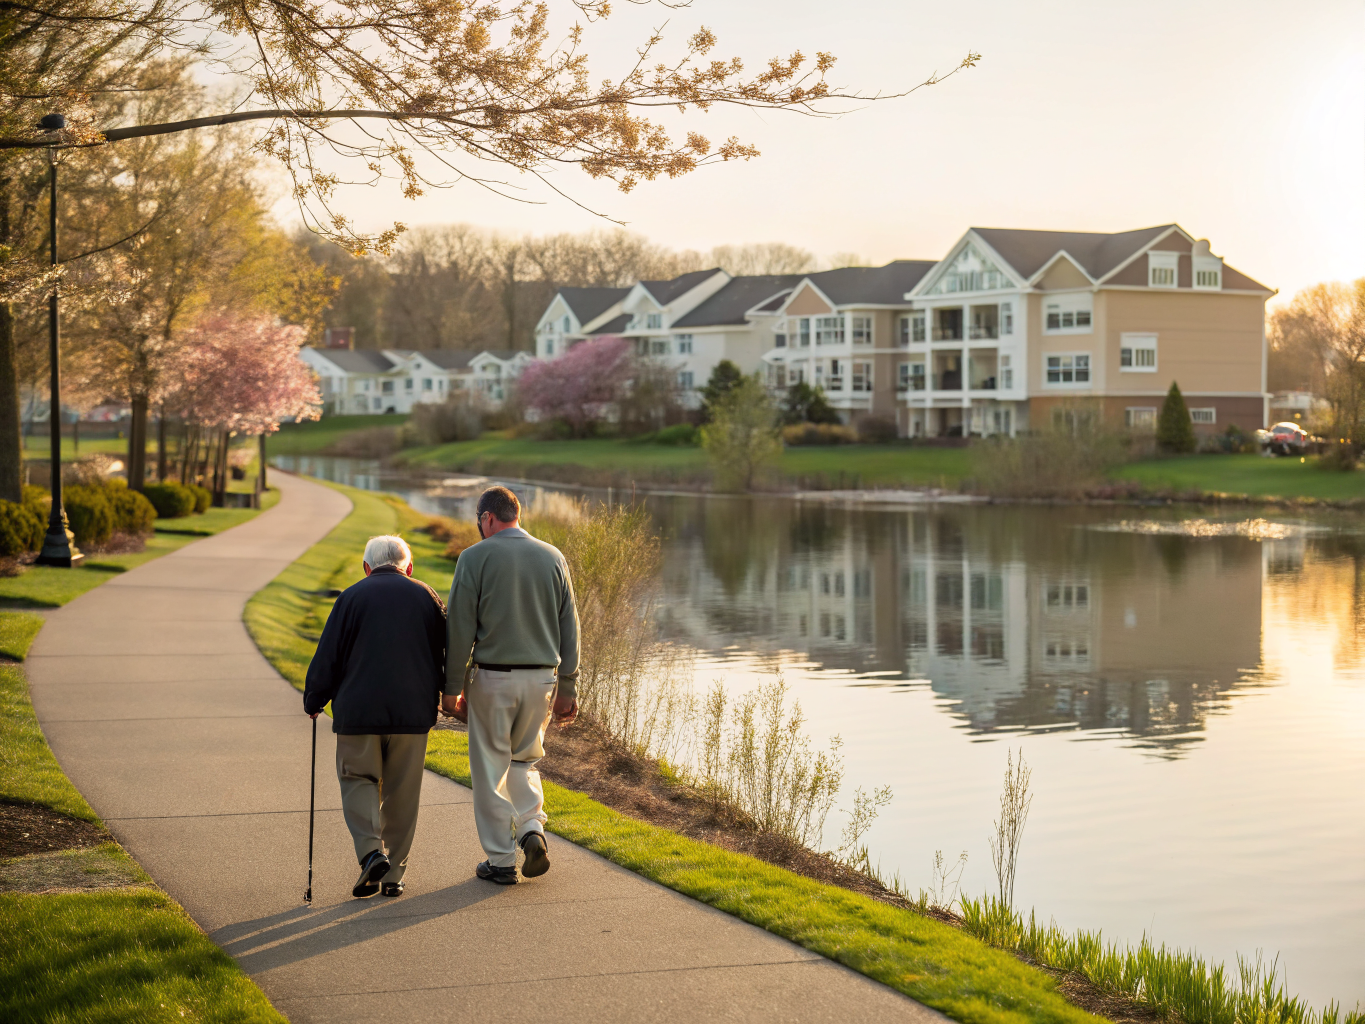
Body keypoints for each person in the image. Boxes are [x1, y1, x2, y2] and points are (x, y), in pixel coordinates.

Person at [443, 485, 579, 885]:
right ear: (516, 514)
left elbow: (461, 628)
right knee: (524, 761)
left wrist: (451, 688)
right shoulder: (554, 557)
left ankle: (501, 861)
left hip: (494, 678)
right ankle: (532, 829)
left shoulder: (474, 558)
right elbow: (570, 627)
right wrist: (569, 687)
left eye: (478, 522)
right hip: (542, 681)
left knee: (490, 768)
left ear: (487, 518)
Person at [303, 535, 446, 899]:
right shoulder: (427, 596)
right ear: (408, 567)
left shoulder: (351, 597)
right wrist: (448, 692)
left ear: (366, 568)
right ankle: (393, 874)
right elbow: (445, 649)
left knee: (358, 779)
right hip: (412, 714)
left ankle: (371, 852)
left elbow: (329, 654)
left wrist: (315, 697)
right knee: (403, 792)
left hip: (359, 711)